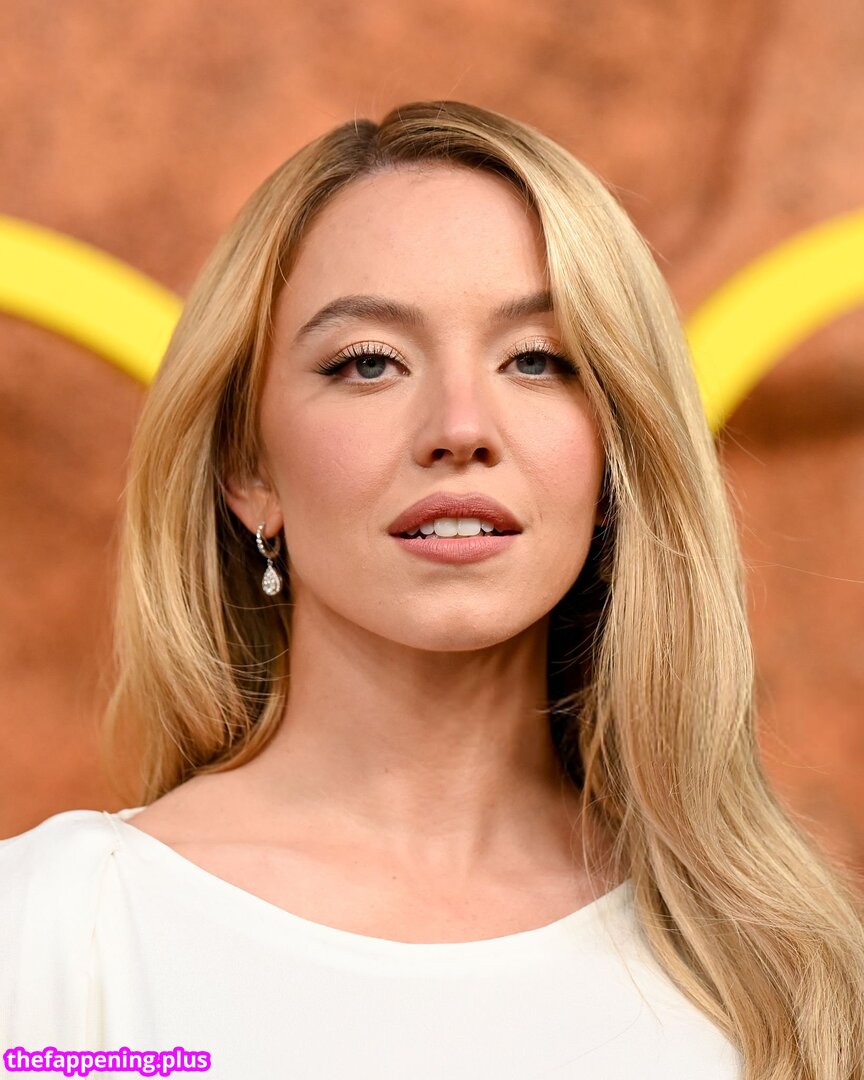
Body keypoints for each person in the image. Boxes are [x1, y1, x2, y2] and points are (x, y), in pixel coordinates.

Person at [1, 99, 862, 1080]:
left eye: (537, 360)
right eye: (369, 363)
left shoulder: (775, 972)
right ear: (250, 468)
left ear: (615, 453)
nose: (460, 426)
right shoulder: (51, 935)